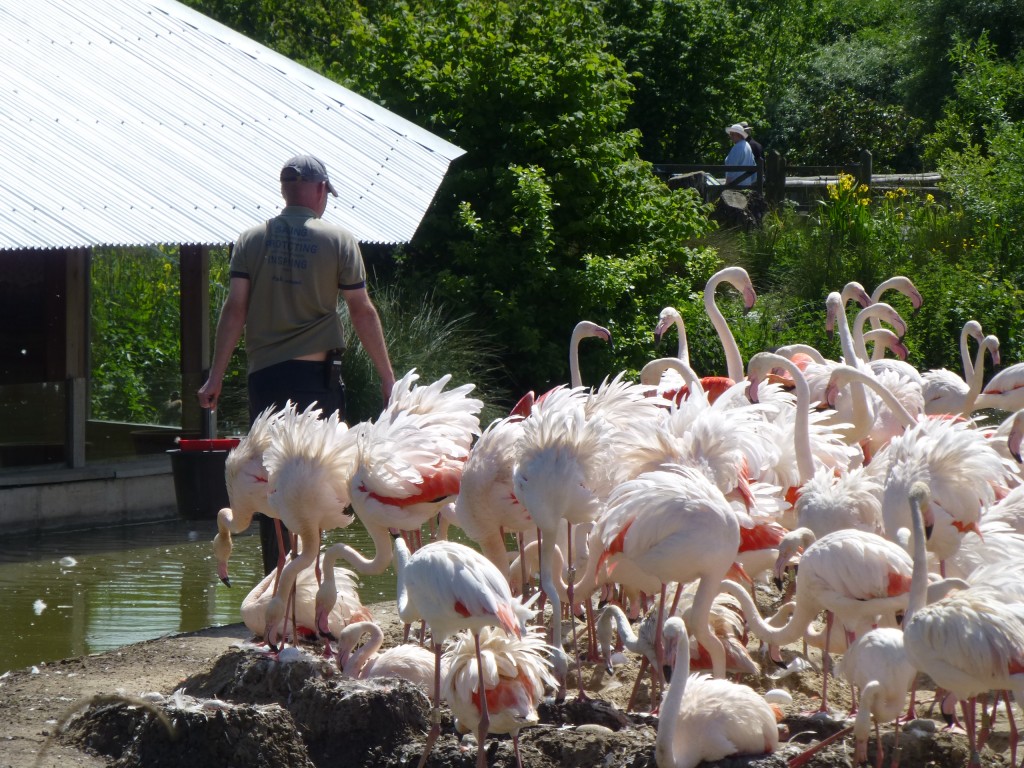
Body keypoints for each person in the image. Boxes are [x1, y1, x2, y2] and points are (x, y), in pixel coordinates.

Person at [197, 154, 396, 575]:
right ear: (320, 190)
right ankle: (312, 581)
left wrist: (215, 377)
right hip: (315, 382)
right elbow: (362, 311)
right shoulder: (339, 239)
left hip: (265, 380)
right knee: (317, 482)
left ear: (284, 188)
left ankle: (277, 582)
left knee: (270, 482)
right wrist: (387, 378)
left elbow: (235, 309)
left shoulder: (251, 239)